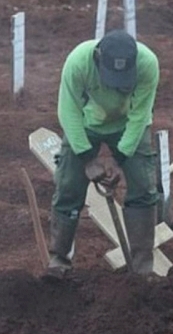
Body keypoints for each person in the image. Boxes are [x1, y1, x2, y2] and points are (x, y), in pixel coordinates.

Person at [46, 29, 159, 279]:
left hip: (129, 124)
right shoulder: (78, 62)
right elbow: (69, 112)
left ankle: (143, 269)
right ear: (97, 58)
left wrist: (120, 159)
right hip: (87, 124)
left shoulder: (147, 64)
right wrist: (87, 158)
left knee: (143, 187)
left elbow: (140, 114)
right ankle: (58, 261)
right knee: (67, 187)